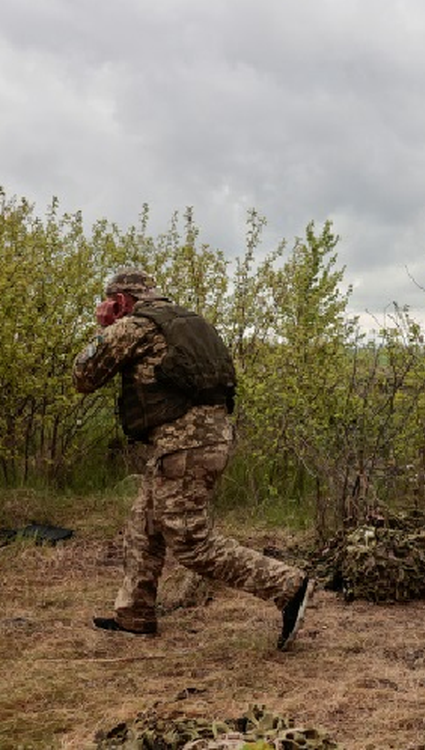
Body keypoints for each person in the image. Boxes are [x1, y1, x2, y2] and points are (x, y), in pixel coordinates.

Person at [73, 268, 311, 649]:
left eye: (109, 303)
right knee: (144, 523)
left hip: (183, 447)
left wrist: (104, 328)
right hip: (205, 438)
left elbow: (84, 376)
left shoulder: (134, 326)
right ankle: (135, 614)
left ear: (119, 301)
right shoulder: (187, 321)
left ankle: (287, 585)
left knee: (191, 543)